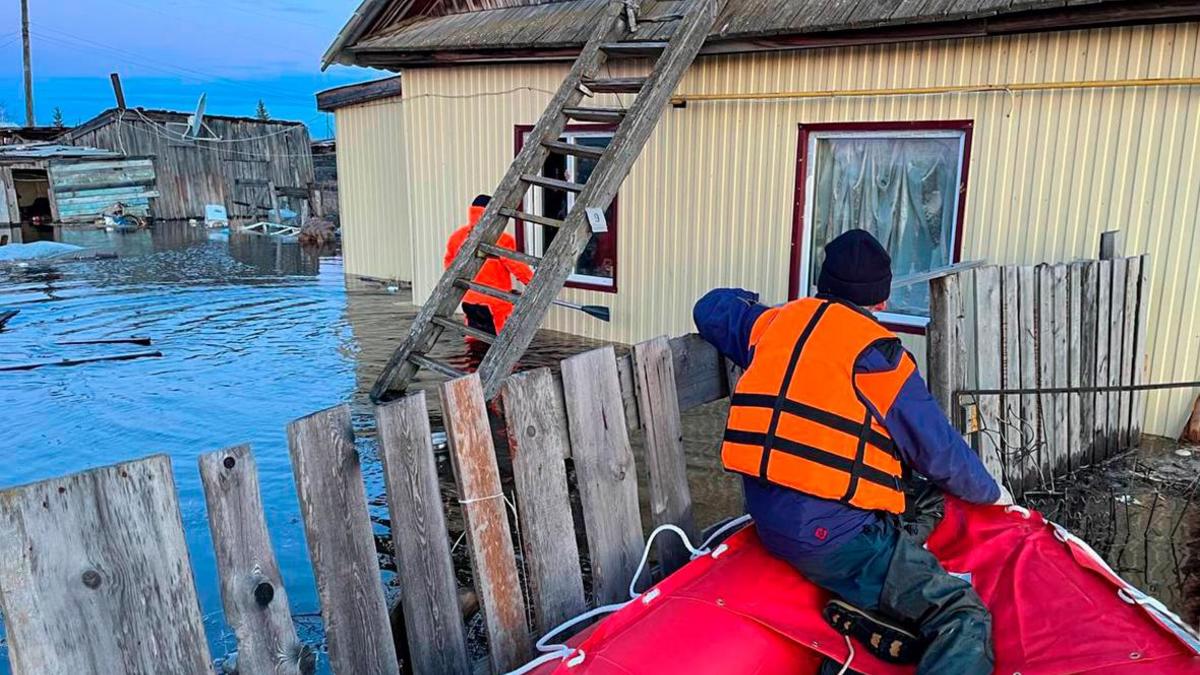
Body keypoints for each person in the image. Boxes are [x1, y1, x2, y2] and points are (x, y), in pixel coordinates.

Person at [693, 229, 1012, 674]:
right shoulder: (880, 358)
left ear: (823, 286)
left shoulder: (773, 324)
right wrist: (994, 495)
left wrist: (751, 300)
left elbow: (709, 307)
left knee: (920, 498)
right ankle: (883, 597)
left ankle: (875, 601)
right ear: (880, 302)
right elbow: (940, 453)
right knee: (962, 615)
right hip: (831, 536)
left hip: (769, 516)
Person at [444, 194, 534, 335]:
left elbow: (449, 264)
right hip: (495, 302)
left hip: (469, 299)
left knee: (473, 339)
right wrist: (533, 283)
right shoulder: (502, 239)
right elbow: (516, 266)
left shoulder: (457, 237)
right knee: (498, 341)